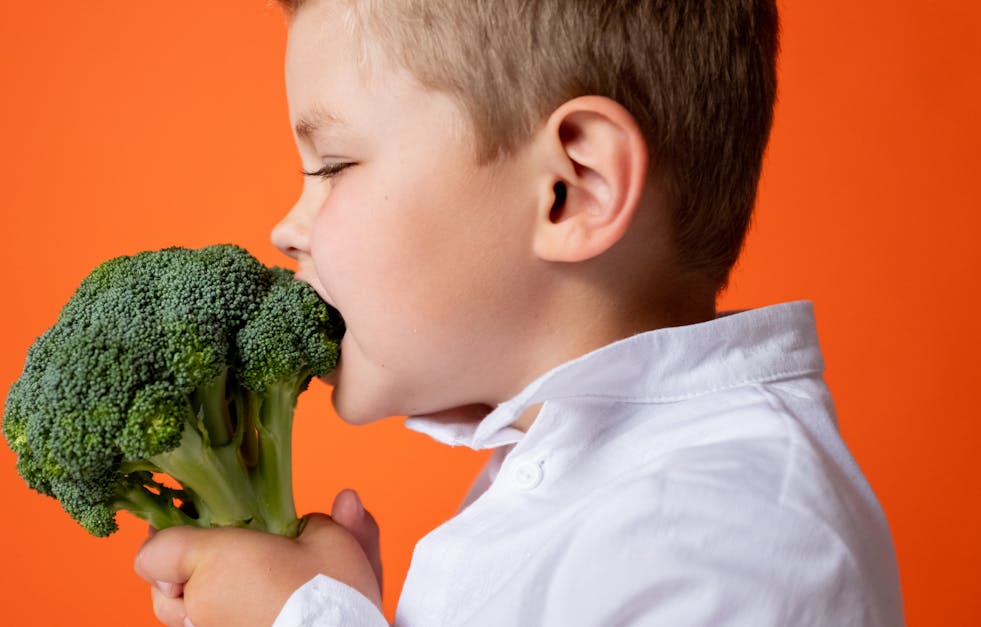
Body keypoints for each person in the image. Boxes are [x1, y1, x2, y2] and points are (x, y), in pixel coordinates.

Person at [134, 0, 905, 624]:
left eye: (334, 165)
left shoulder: (735, 543)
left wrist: (309, 619)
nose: (286, 229)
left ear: (573, 185)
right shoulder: (563, 480)